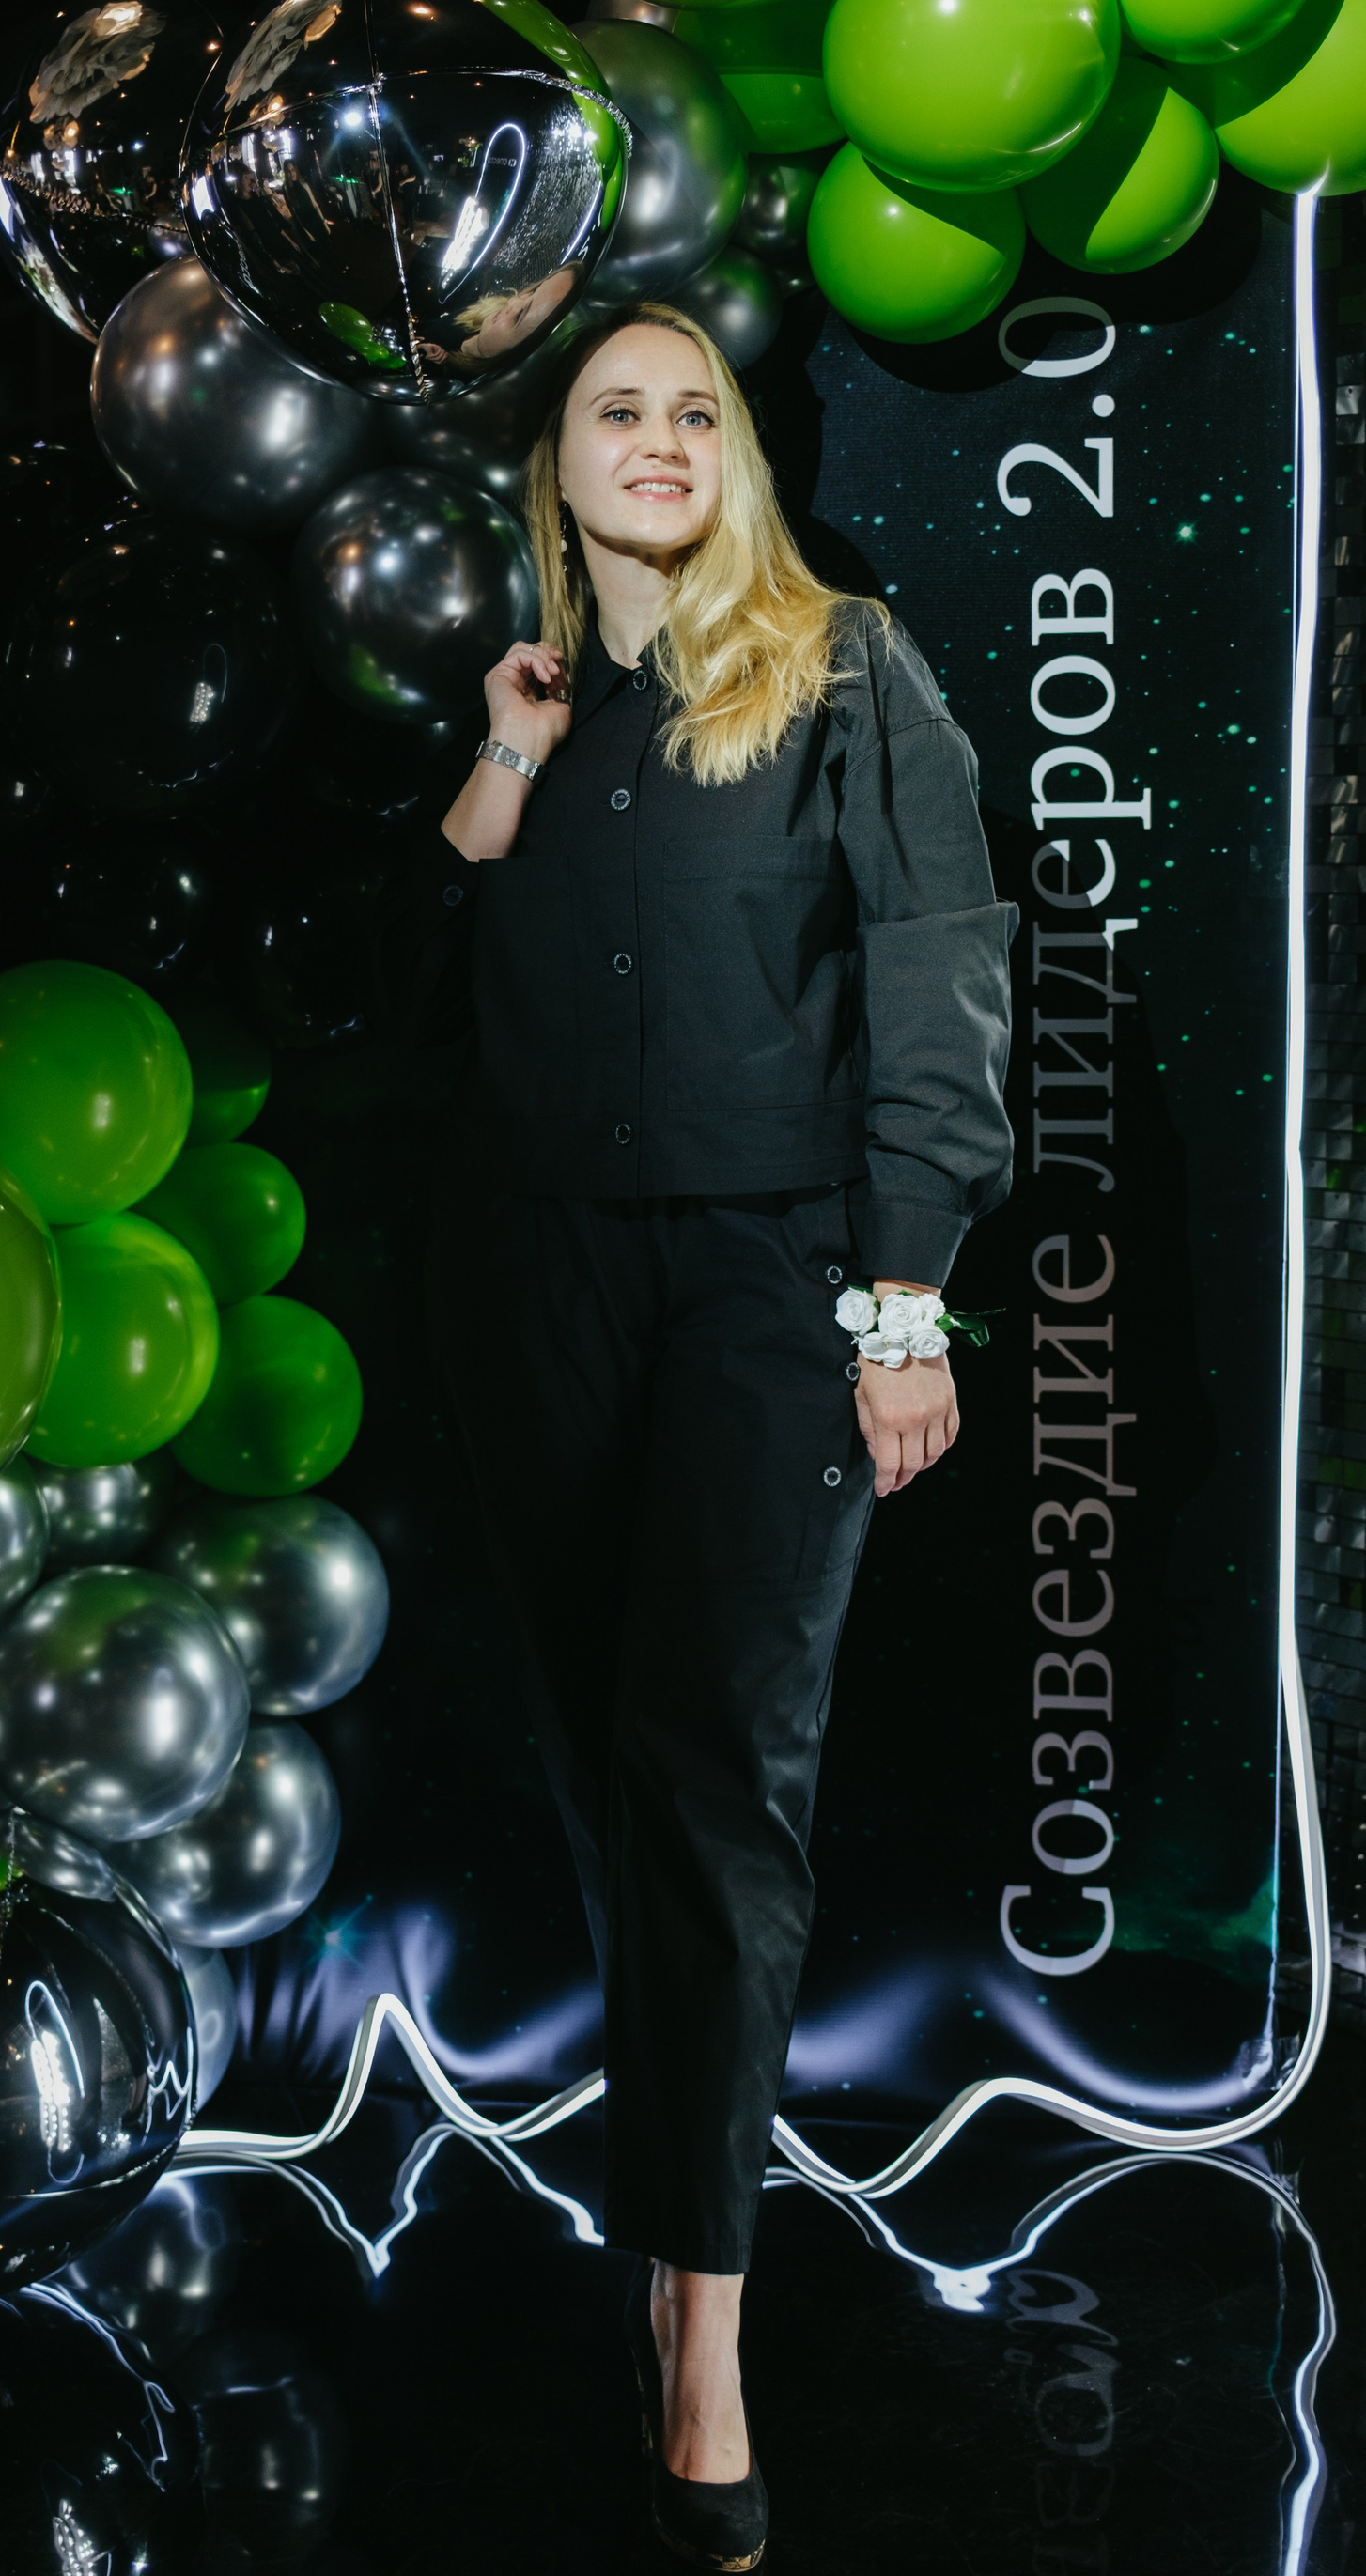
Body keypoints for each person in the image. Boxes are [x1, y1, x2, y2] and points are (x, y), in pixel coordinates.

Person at [378, 301, 1015, 2570]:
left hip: (774, 1288)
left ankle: (706, 2337)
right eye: (612, 413)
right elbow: (410, 997)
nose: (656, 439)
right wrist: (504, 753)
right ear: (556, 471)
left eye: (692, 412)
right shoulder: (529, 714)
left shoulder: (847, 666)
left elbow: (938, 972)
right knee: (603, 1779)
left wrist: (905, 1299)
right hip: (538, 1292)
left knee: (723, 1780)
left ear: (735, 456)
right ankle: (668, 2233)